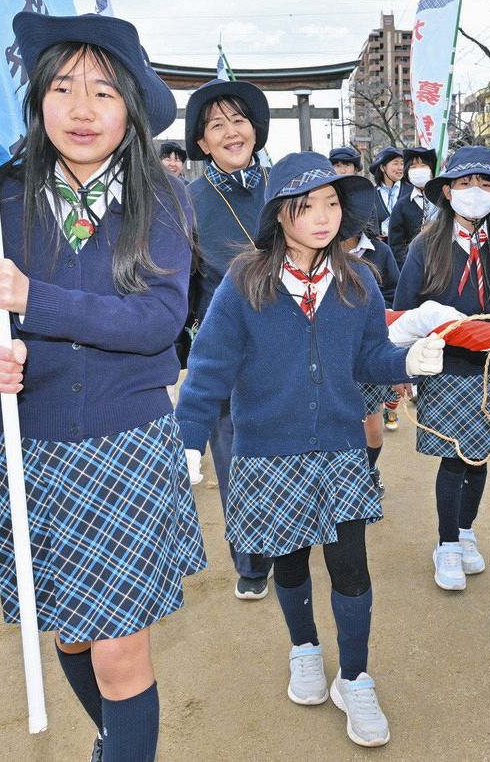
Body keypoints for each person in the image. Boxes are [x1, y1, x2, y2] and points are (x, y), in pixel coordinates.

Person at [0, 11, 206, 762]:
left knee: (120, 654)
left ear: (132, 108)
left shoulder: (162, 198)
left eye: (103, 91)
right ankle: (115, 741)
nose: (82, 108)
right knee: (71, 633)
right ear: (37, 98)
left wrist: (35, 299)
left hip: (127, 446)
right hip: (32, 444)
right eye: (63, 87)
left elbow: (157, 322)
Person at [175, 151, 445, 748]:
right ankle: (304, 649)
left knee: (351, 565)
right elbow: (209, 367)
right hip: (267, 452)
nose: (323, 217)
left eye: (331, 203)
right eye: (306, 206)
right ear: (279, 214)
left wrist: (408, 360)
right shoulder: (244, 281)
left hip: (342, 447)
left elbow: (369, 356)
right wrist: (188, 439)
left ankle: (355, 677)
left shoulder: (359, 280)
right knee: (290, 561)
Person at [394, 146, 490, 592]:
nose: (475, 191)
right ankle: (446, 542)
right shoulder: (426, 245)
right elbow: (404, 310)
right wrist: (401, 367)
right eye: (466, 183)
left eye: (486, 184)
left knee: (480, 458)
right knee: (453, 460)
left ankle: (466, 531)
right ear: (447, 191)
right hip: (444, 367)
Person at [184, 76, 274, 600]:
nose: (231, 132)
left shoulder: (285, 186)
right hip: (226, 343)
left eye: (239, 120)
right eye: (217, 125)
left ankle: (291, 536)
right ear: (202, 142)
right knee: (234, 451)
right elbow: (181, 280)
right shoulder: (187, 199)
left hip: (291, 336)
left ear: (255, 129)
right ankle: (251, 559)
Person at [341, 205, 403, 497]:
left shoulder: (380, 251)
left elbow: (394, 292)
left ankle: (368, 468)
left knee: (372, 427)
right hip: (332, 352)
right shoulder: (315, 249)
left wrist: (377, 313)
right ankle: (342, 479)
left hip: (368, 350)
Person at [386, 146, 438, 267]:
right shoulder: (401, 205)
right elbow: (396, 244)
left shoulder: (443, 202)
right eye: (413, 167)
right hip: (413, 266)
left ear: (432, 170)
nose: (418, 170)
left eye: (423, 166)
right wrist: (409, 265)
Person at [366, 146, 410, 241]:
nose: (400, 168)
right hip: (380, 247)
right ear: (382, 167)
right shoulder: (371, 195)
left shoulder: (411, 191)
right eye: (395, 163)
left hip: (407, 247)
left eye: (402, 164)